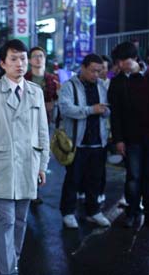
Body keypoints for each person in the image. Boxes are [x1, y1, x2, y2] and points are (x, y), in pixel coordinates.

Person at [0, 39, 50, 275]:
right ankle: (7, 269)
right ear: (3, 63)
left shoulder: (35, 92)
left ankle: (14, 260)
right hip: (2, 166)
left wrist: (42, 165)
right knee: (6, 220)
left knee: (21, 220)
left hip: (29, 164)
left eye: (23, 59)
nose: (20, 64)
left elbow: (43, 133)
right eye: (14, 59)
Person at [59, 54, 111, 229]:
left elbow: (107, 109)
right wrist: (91, 110)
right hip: (77, 142)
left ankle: (93, 211)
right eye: (93, 70)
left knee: (95, 180)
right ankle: (68, 212)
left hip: (98, 141)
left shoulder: (102, 86)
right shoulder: (69, 86)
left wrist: (104, 111)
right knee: (73, 179)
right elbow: (66, 109)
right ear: (83, 67)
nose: (96, 74)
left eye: (99, 71)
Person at [108, 41, 149, 228]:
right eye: (119, 61)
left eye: (125, 60)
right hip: (131, 137)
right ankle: (132, 211)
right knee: (133, 175)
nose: (121, 64)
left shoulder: (146, 76)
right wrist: (119, 140)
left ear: (134, 58)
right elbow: (115, 114)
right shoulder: (117, 82)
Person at [25, 46, 59, 122]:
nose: (38, 59)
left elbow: (57, 98)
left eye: (41, 56)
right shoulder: (24, 79)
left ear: (45, 59)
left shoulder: (53, 79)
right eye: (35, 56)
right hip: (27, 118)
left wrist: (53, 103)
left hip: (47, 118)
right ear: (29, 60)